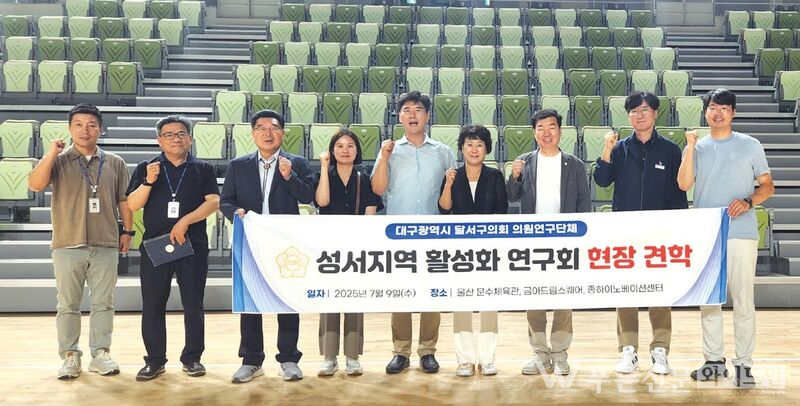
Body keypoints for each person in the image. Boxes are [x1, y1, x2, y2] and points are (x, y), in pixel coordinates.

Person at [28, 103, 132, 380]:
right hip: (67, 243)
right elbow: (35, 185)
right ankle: (70, 356)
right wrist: (51, 153)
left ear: (100, 129)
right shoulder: (58, 160)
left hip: (105, 242)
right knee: (67, 304)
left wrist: (128, 232)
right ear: (70, 128)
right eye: (79, 124)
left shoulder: (115, 162)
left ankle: (100, 353)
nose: (85, 130)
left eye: (91, 125)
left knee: (104, 303)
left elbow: (124, 200)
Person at [678, 89, 774, 388]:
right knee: (709, 301)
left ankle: (744, 364)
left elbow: (767, 186)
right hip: (707, 234)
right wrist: (690, 147)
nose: (717, 113)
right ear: (705, 112)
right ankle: (713, 361)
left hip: (741, 233)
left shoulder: (750, 145)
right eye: (712, 108)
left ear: (733, 112)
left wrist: (748, 201)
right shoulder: (697, 146)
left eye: (723, 108)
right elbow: (683, 184)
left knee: (744, 300)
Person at [594, 91, 687, 375]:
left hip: (660, 233)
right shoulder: (620, 148)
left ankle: (660, 350)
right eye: (634, 111)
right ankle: (628, 349)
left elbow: (678, 194)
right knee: (626, 291)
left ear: (655, 113)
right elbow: (602, 180)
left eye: (645, 110)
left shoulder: (670, 150)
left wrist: (677, 231)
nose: (639, 115)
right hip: (625, 232)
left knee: (660, 292)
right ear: (629, 116)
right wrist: (606, 150)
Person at [220, 109, 315, 383]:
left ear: (282, 133)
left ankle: (288, 359)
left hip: (286, 245)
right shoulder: (238, 165)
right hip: (250, 242)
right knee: (250, 301)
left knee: (287, 301)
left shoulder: (297, 163)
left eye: (273, 128)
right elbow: (226, 201)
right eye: (261, 128)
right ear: (253, 134)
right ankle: (251, 360)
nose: (268, 132)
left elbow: (308, 196)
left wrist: (289, 176)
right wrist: (236, 212)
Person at [126, 115, 220, 381]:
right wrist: (148, 182)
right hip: (155, 246)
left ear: (190, 139)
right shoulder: (147, 167)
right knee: (153, 304)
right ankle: (155, 360)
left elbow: (213, 202)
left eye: (181, 134)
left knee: (193, 303)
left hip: (193, 245)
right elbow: (132, 205)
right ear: (159, 140)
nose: (175, 139)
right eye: (168, 134)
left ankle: (192, 358)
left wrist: (185, 221)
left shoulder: (203, 168)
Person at [371, 91, 457, 374]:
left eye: (418, 109)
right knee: (401, 293)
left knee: (432, 293)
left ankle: (428, 350)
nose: (412, 115)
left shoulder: (443, 151)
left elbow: (452, 192)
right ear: (399, 116)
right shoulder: (390, 150)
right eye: (406, 110)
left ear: (427, 116)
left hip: (434, 233)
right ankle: (401, 351)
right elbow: (378, 189)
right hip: (399, 234)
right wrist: (384, 158)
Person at [506, 109, 591, 376]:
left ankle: (560, 353)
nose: (546, 133)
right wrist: (514, 177)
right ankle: (540, 353)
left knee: (564, 298)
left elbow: (584, 203)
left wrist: (582, 239)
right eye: (540, 128)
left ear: (560, 131)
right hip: (533, 241)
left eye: (551, 127)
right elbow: (511, 196)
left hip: (566, 241)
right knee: (535, 297)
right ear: (534, 133)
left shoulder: (574, 164)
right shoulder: (524, 162)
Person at [438, 125, 508, 377]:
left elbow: (501, 212)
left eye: (479, 145)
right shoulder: (453, 175)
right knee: (462, 302)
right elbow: (444, 209)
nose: (474, 149)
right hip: (460, 251)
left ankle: (487, 358)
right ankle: (464, 360)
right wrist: (448, 185)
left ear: (486, 149)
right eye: (469, 144)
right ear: (461, 149)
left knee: (489, 302)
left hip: (489, 251)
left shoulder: (495, 176)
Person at [314, 129, 383, 377]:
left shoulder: (365, 180)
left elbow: (370, 214)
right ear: (332, 151)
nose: (345, 150)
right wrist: (324, 167)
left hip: (356, 249)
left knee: (354, 301)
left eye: (350, 145)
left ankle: (353, 357)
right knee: (329, 302)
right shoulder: (323, 176)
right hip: (329, 249)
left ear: (357, 151)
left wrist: (361, 244)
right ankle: (329, 357)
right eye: (340, 146)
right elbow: (322, 202)